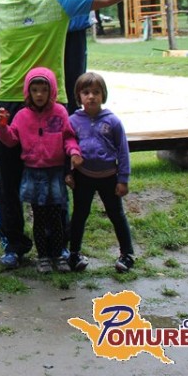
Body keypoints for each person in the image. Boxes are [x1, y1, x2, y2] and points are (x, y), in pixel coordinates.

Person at [0, 0, 159, 270]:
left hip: (53, 106)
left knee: (58, 177)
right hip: (10, 101)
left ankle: (59, 247)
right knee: (8, 180)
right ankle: (13, 245)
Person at [0, 67, 81, 273]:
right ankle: (43, 257)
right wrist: (3, 126)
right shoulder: (22, 116)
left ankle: (58, 254)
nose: (40, 95)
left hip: (54, 173)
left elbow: (68, 136)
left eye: (44, 90)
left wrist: (74, 151)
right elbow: (11, 139)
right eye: (35, 90)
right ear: (28, 92)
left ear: (52, 91)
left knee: (56, 216)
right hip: (33, 173)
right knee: (39, 217)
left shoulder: (59, 112)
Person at [66, 72, 135, 273]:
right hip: (83, 176)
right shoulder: (73, 121)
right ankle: (74, 254)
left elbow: (123, 151)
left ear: (103, 95)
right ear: (79, 96)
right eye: (86, 92)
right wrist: (68, 173)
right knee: (79, 215)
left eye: (96, 92)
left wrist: (123, 179)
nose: (91, 97)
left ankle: (127, 254)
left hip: (109, 177)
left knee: (116, 215)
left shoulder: (113, 121)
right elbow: (66, 147)